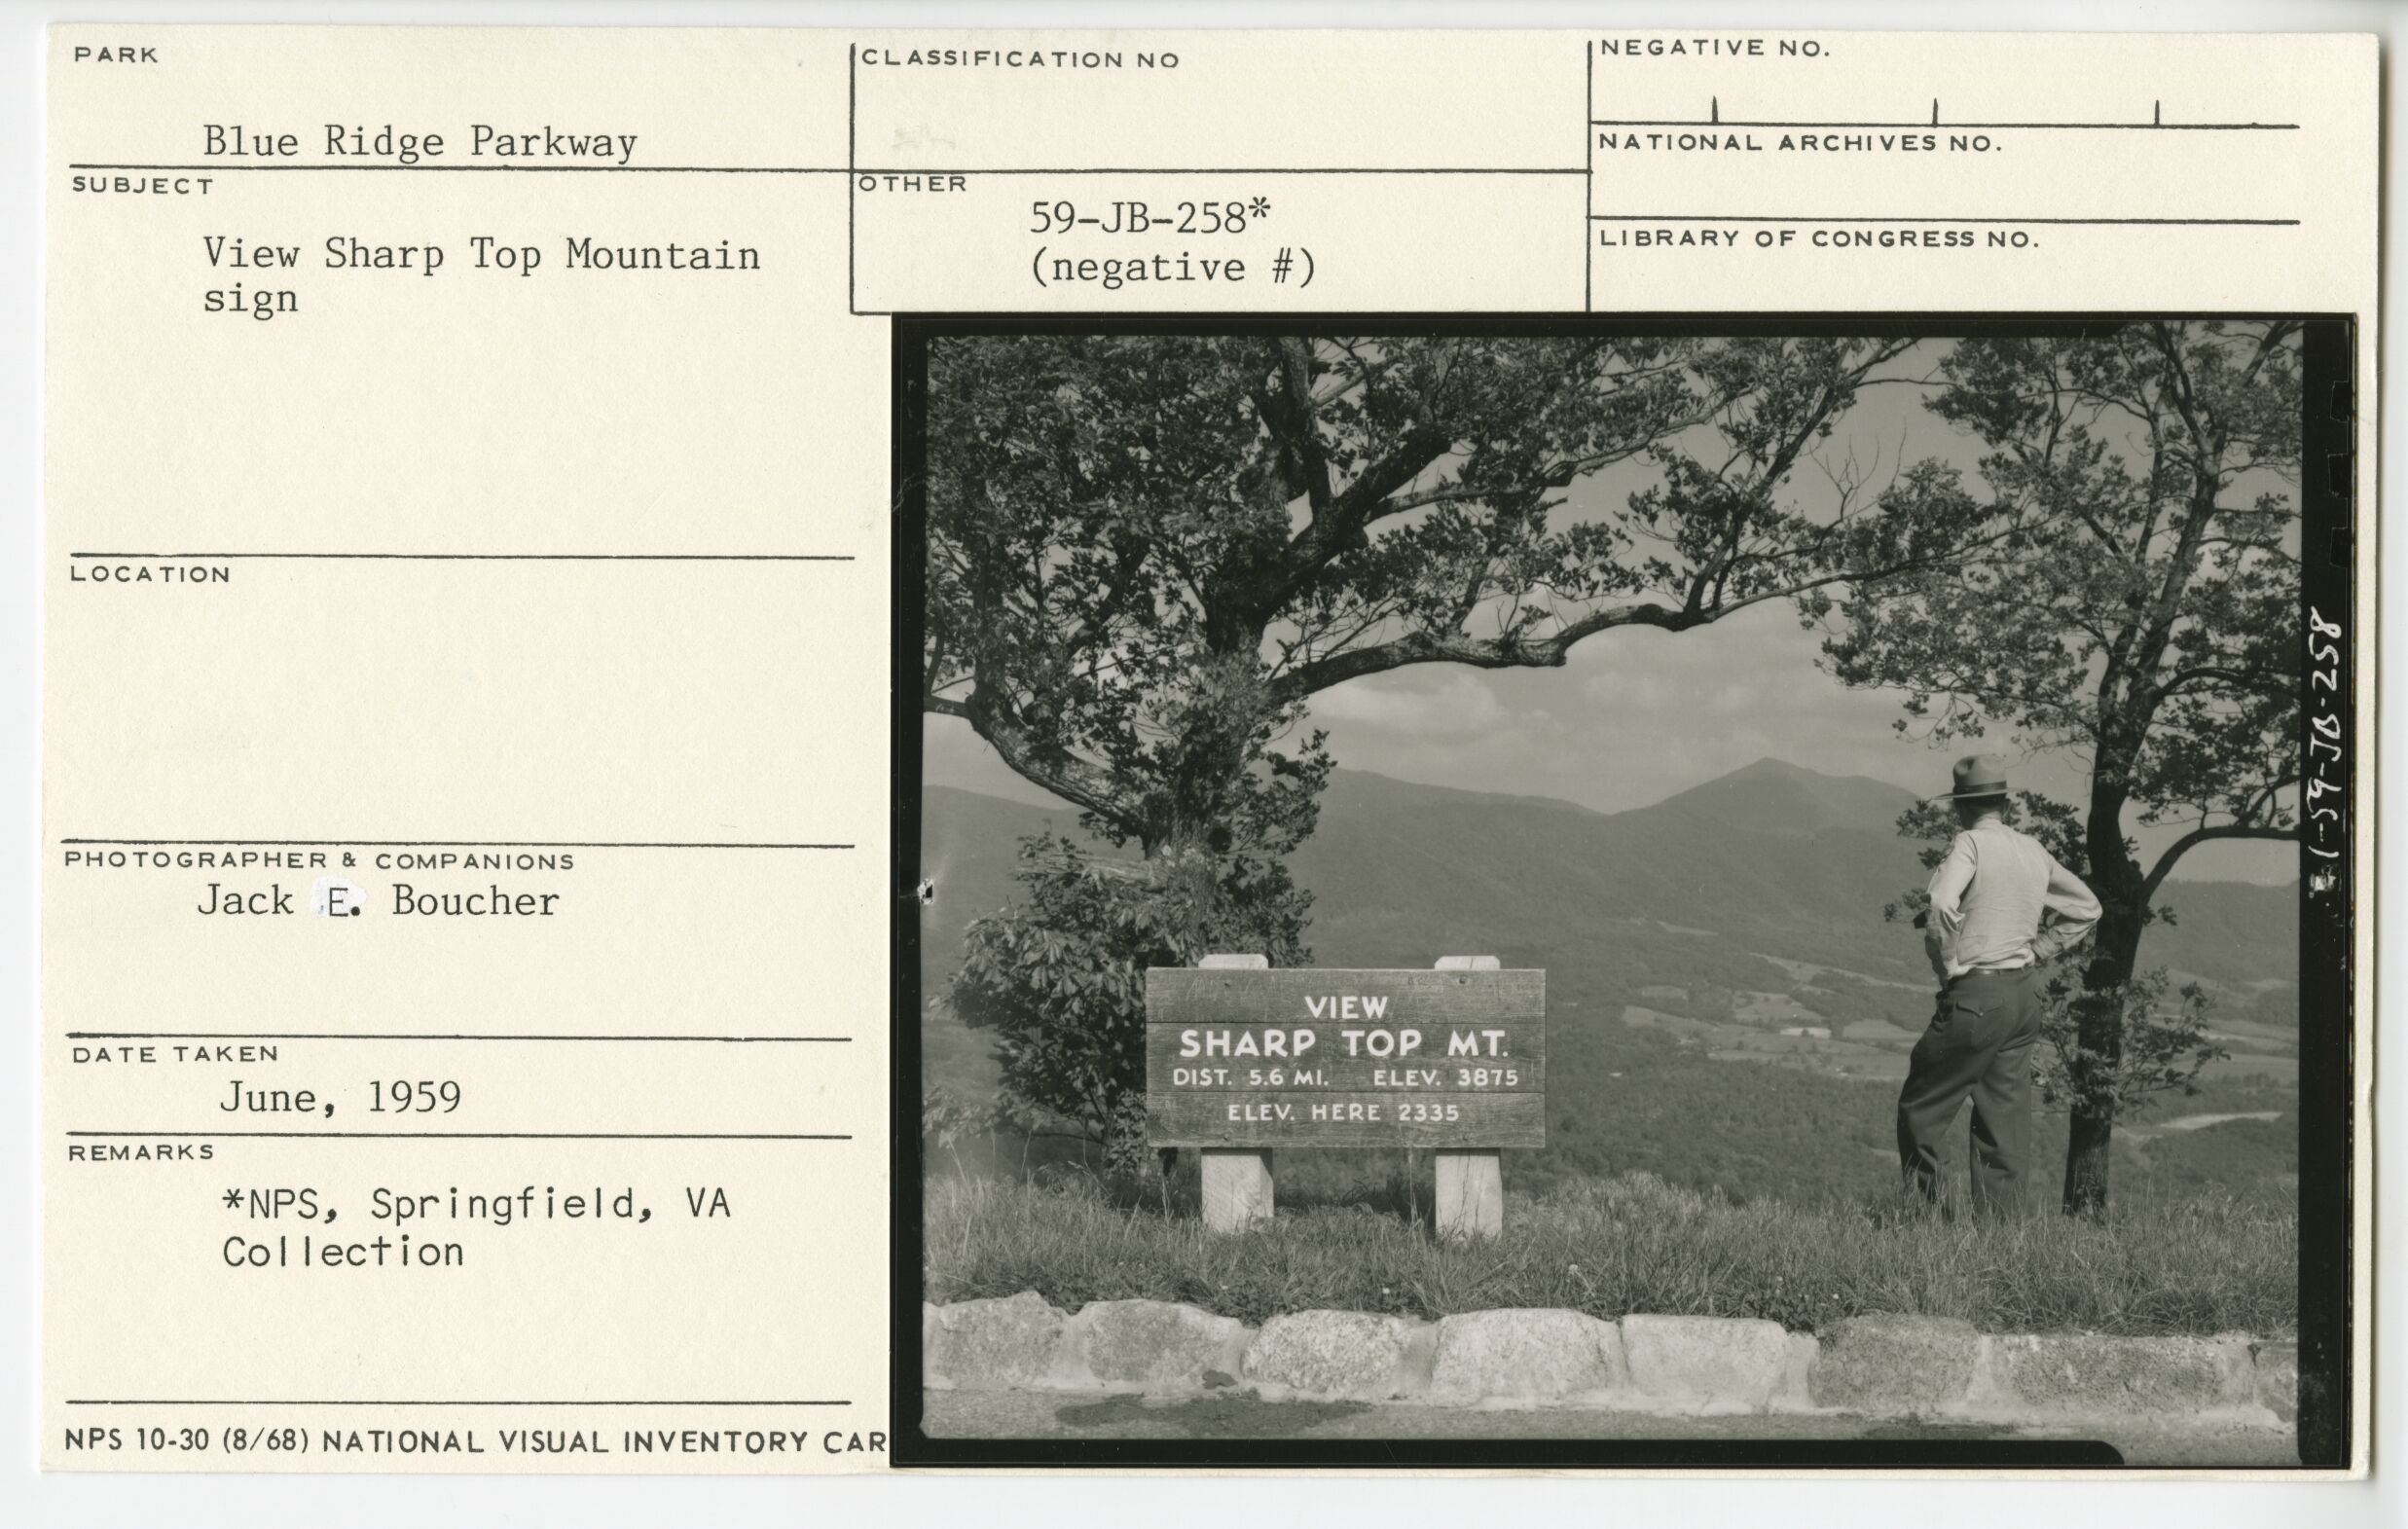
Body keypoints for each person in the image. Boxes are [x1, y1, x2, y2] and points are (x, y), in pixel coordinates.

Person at [1898, 753, 2101, 1214]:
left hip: (1977, 995)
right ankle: (2000, 1236)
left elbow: (1941, 909)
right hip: (2023, 995)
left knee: (1921, 1107)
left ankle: (1926, 1221)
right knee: (2003, 1119)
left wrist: (1948, 966)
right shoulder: (2033, 849)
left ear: (1960, 807)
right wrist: (2040, 949)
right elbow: (2089, 908)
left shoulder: (1969, 844)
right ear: (2004, 804)